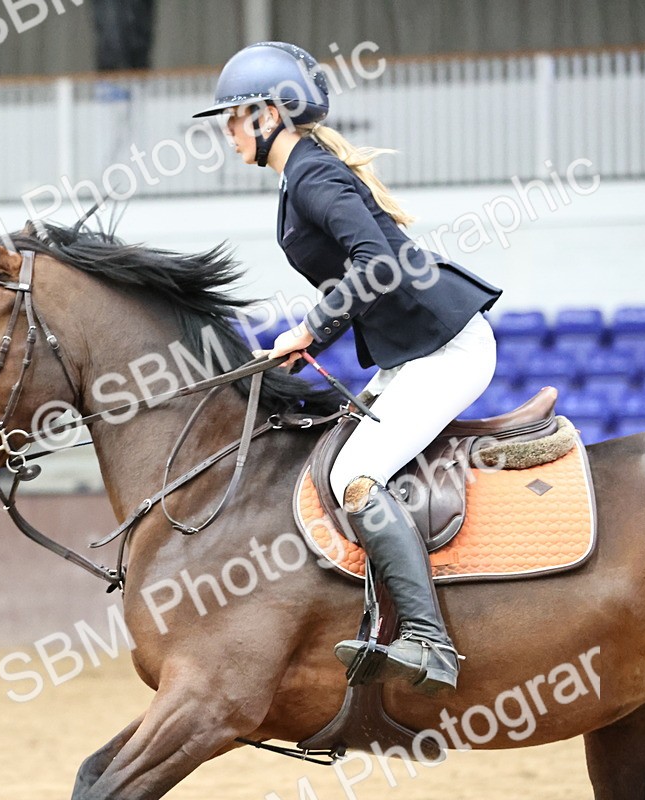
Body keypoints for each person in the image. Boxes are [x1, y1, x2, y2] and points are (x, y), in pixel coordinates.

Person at [194, 42, 502, 692]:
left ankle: (430, 643)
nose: (225, 131)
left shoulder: (312, 175)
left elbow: (374, 262)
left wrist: (310, 328)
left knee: (358, 476)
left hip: (445, 346)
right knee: (335, 461)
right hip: (413, 349)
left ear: (271, 113)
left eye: (233, 117)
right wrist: (308, 336)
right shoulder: (299, 175)